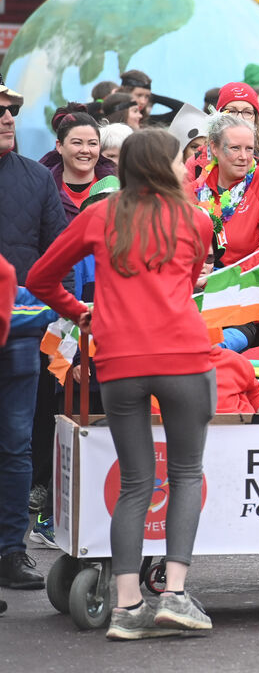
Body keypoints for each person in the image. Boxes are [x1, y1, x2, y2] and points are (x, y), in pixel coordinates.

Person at [27, 128, 216, 638]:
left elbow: (42, 277)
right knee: (184, 475)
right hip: (184, 358)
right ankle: (174, 593)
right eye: (182, 160)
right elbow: (191, 276)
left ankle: (128, 606)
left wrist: (79, 311)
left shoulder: (98, 214)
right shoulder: (197, 220)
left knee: (134, 483)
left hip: (119, 361)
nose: (187, 167)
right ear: (165, 166)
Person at [0, 75, 68, 591]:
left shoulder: (36, 178)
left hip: (20, 338)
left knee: (16, 445)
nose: (7, 118)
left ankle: (10, 551)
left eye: (11, 110)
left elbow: (57, 261)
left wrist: (53, 319)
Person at [186, 113, 259, 269]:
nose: (244, 157)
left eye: (249, 149)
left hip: (249, 284)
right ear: (214, 148)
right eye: (235, 148)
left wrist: (230, 278)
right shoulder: (193, 191)